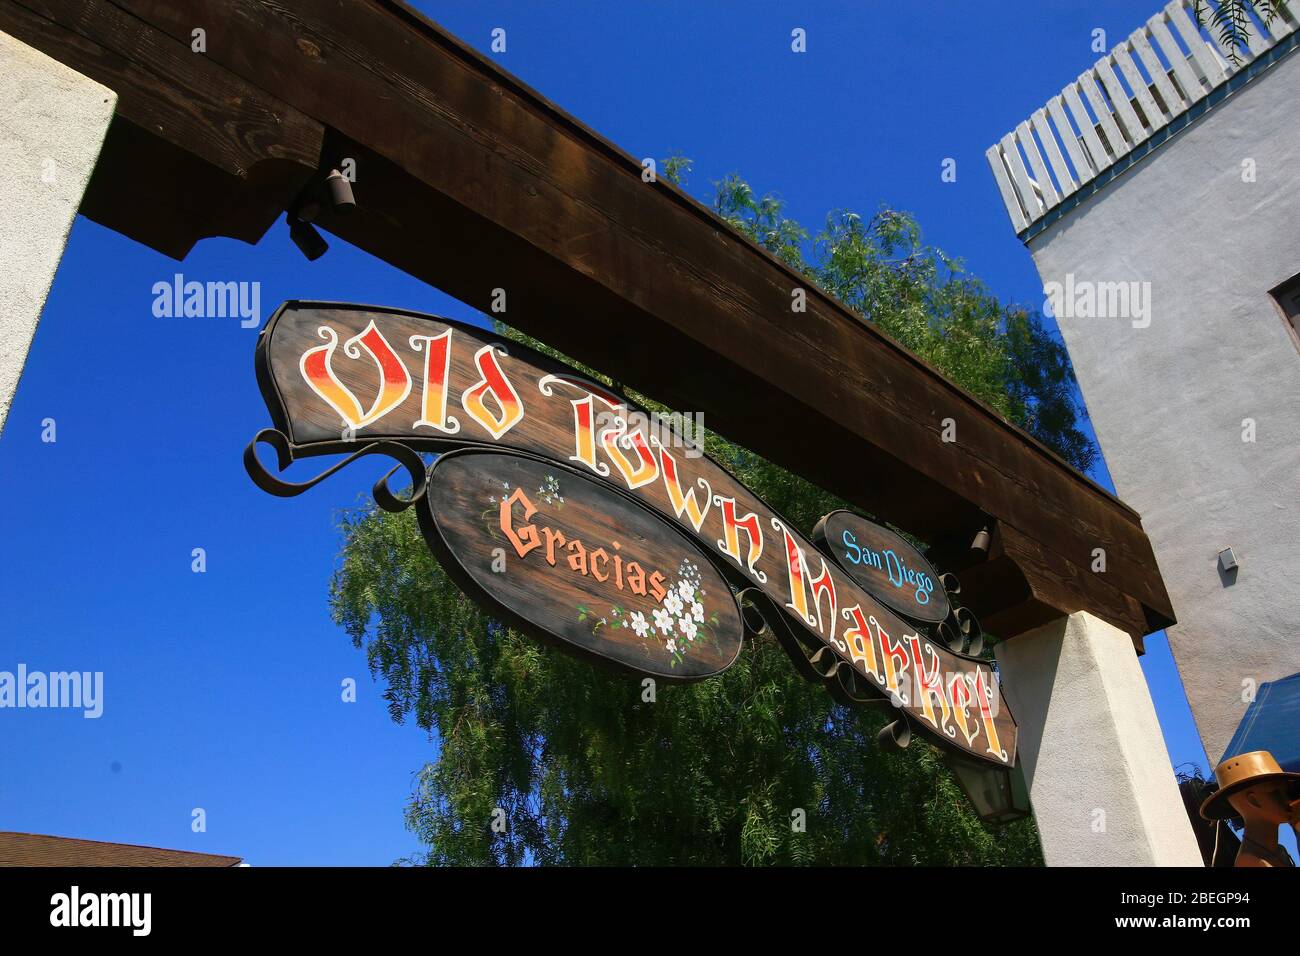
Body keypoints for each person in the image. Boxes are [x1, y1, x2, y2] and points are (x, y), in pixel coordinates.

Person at [1200, 750, 1300, 868]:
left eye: (1287, 791)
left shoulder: (1278, 853)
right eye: (1276, 792)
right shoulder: (1253, 863)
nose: (1288, 799)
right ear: (1253, 800)